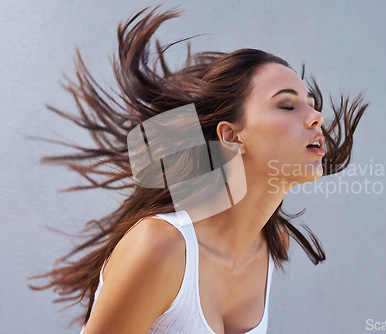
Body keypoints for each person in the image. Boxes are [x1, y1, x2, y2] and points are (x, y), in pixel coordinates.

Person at [30, 7, 368, 334]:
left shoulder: (269, 243)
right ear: (232, 137)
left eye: (311, 104)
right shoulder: (160, 247)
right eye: (287, 104)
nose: (316, 117)